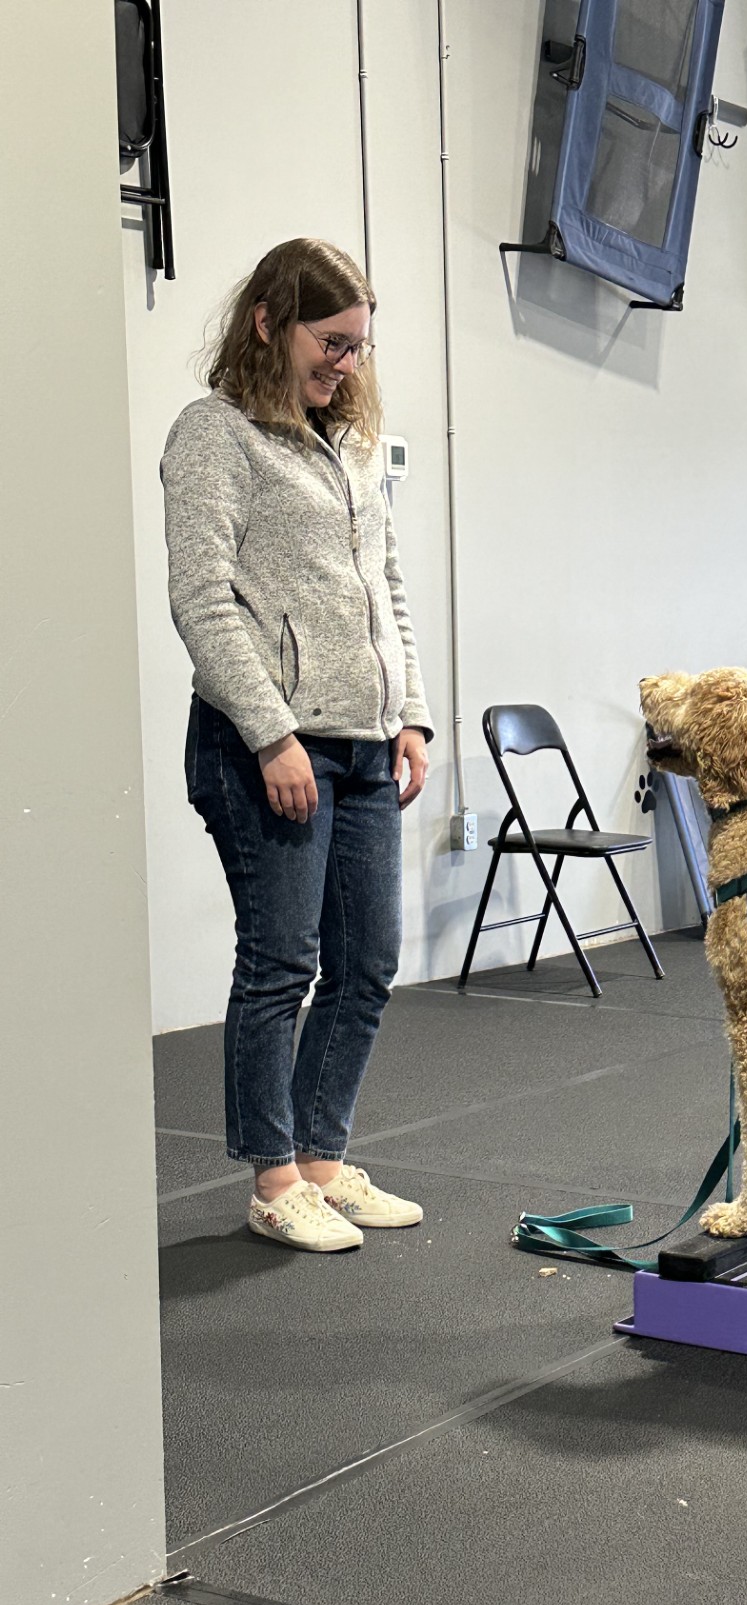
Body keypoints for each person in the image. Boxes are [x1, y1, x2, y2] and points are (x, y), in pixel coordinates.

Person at [162, 237, 432, 1253]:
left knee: (367, 964)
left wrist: (409, 712)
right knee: (282, 963)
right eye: (332, 342)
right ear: (270, 321)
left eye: (360, 348)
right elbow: (202, 597)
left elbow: (387, 591)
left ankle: (323, 1161)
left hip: (364, 745)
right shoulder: (213, 438)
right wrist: (270, 733)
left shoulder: (349, 449)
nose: (347, 366)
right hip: (263, 748)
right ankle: (275, 1181)